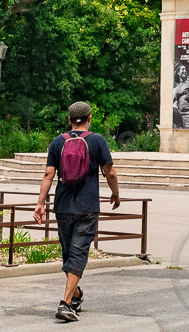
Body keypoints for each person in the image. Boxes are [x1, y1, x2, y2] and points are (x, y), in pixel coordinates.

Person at [35, 102, 120, 322]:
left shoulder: (57, 142)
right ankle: (65, 303)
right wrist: (115, 193)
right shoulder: (97, 140)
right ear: (90, 117)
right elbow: (110, 172)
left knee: (69, 253)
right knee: (78, 253)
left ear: (69, 119)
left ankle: (76, 295)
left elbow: (48, 174)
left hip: (63, 206)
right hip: (87, 206)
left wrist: (40, 204)